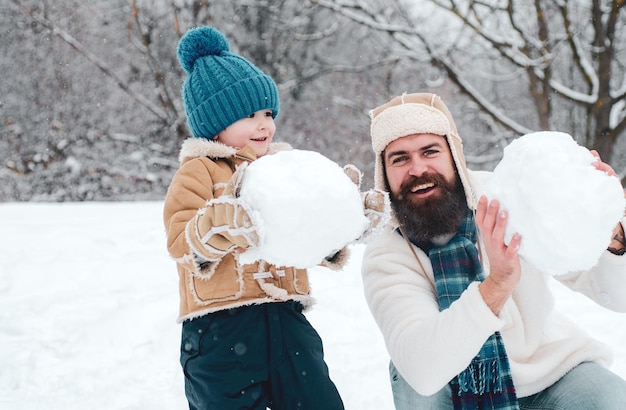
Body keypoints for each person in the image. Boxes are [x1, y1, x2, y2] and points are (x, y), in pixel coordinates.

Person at [362, 92, 626, 409]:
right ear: (385, 174)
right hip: (450, 391)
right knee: (411, 369)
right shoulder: (386, 254)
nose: (417, 168)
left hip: (548, 372)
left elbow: (618, 294)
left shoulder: (507, 197)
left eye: (430, 151)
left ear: (454, 156)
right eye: (400, 158)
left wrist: (609, 233)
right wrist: (497, 285)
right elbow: (423, 372)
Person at [163, 26, 355, 410]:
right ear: (215, 122)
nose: (265, 124)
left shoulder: (284, 169)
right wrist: (219, 224)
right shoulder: (198, 172)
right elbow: (181, 240)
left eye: (268, 112)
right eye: (250, 115)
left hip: (288, 320)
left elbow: (303, 231)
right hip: (220, 329)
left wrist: (343, 220)